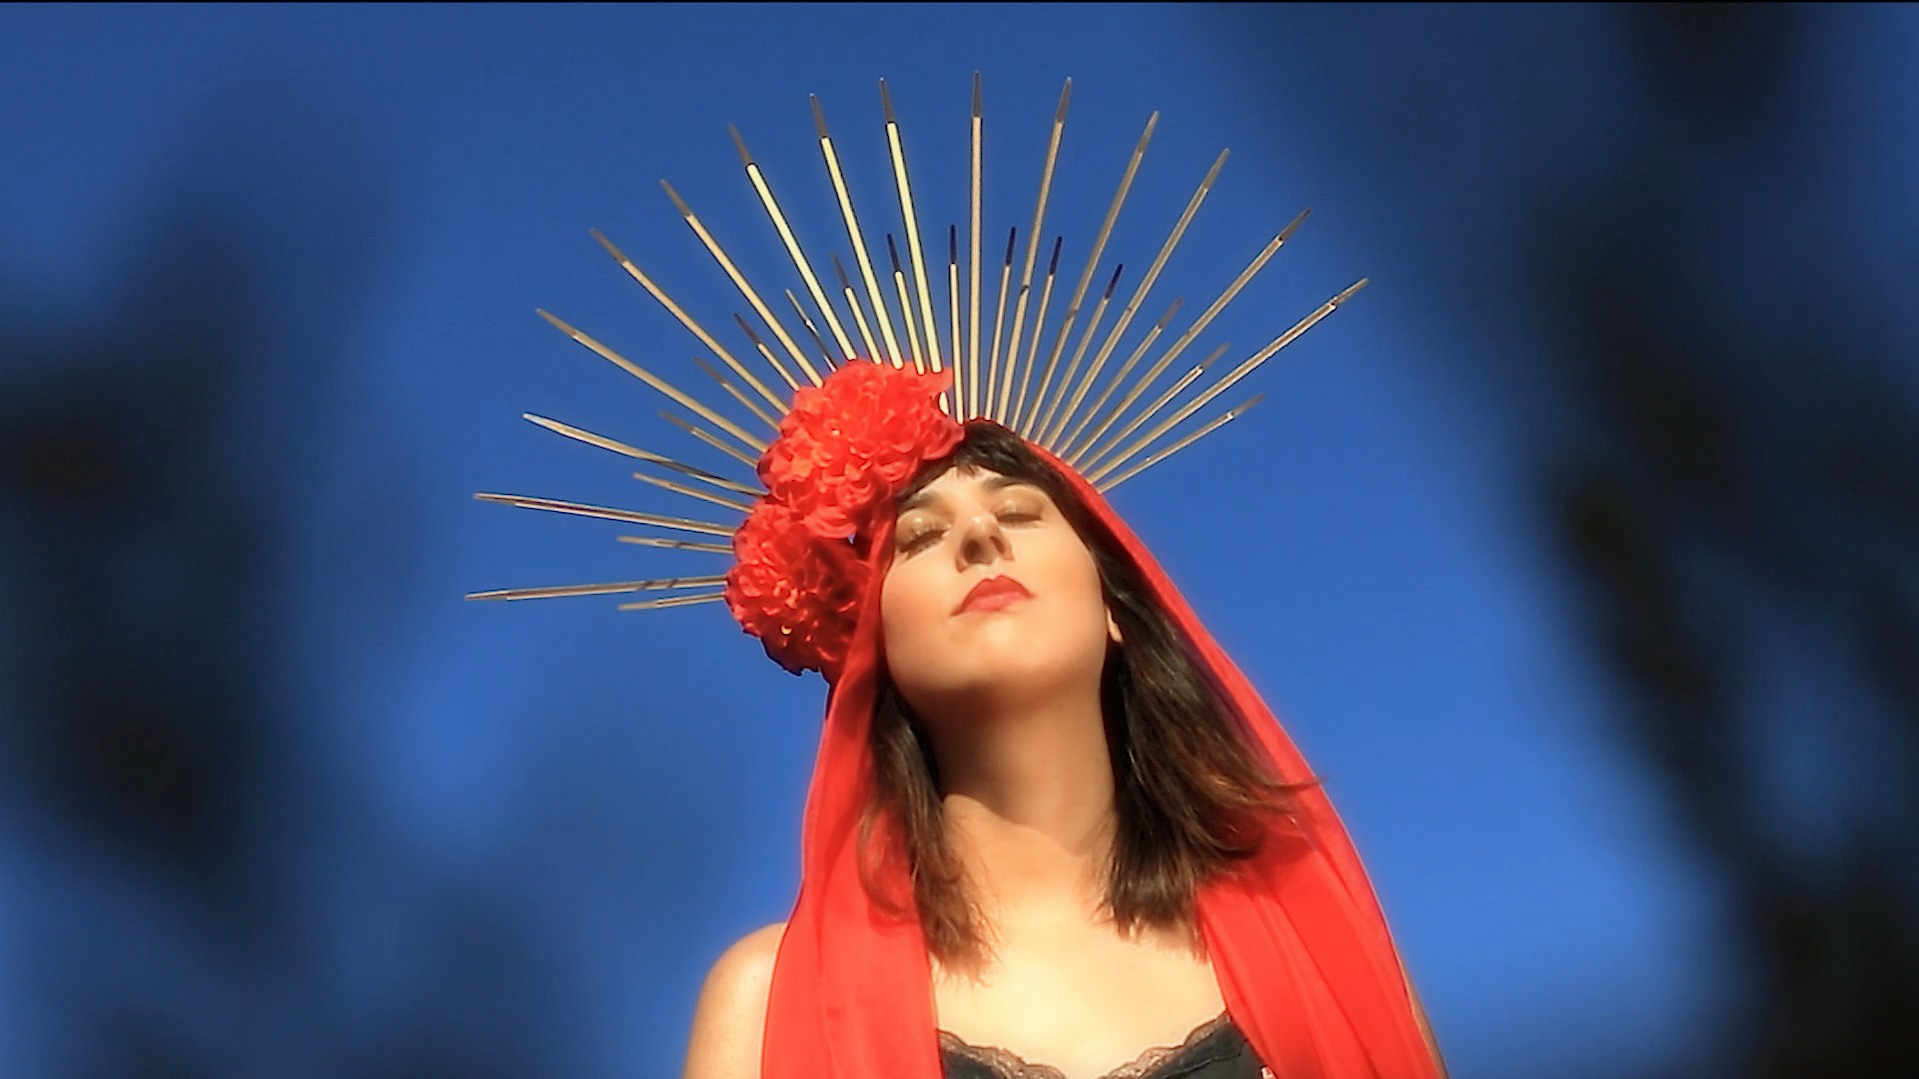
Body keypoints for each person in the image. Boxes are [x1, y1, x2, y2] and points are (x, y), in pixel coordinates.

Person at [678, 366, 1446, 1079]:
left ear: (1114, 607)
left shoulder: (1322, 949)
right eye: (920, 536)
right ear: (874, 643)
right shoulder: (767, 1004)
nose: (980, 537)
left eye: (1017, 511)